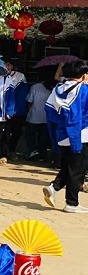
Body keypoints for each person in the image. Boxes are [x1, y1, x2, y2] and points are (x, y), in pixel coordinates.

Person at [43, 60, 88, 213]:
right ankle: (72, 203)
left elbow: (50, 113)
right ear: (83, 75)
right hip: (80, 135)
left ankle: (54, 187)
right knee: (78, 169)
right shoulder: (83, 90)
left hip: (62, 135)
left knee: (70, 166)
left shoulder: (58, 89)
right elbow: (76, 116)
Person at [26, 73, 55, 162]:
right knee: (43, 138)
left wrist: (28, 111)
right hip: (46, 117)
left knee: (31, 135)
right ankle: (42, 154)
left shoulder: (35, 87)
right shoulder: (53, 89)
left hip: (34, 116)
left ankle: (33, 152)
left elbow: (29, 101)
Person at [4, 60, 28, 159]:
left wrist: (15, 108)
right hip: (4, 110)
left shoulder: (20, 76)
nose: (6, 66)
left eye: (8, 64)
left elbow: (22, 95)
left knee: (16, 132)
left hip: (18, 111)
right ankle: (4, 153)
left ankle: (12, 150)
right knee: (4, 133)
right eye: (4, 64)